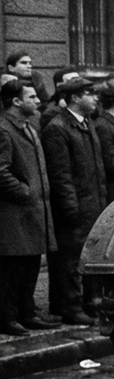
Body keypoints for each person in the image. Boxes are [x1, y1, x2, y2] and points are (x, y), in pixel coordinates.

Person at [40, 78, 106, 326]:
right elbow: (61, 174)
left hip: (91, 203)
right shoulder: (58, 128)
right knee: (70, 260)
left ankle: (82, 304)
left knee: (84, 258)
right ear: (75, 98)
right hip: (75, 205)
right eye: (89, 93)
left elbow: (96, 169)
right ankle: (71, 307)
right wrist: (70, 207)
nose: (95, 98)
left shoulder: (85, 123)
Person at [0, 81, 55, 335]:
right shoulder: (4, 129)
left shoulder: (30, 127)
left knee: (31, 263)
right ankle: (7, 317)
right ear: (16, 101)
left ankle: (27, 312)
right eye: (31, 97)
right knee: (13, 267)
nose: (38, 101)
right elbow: (1, 172)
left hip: (32, 210)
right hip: (14, 213)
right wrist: (25, 191)